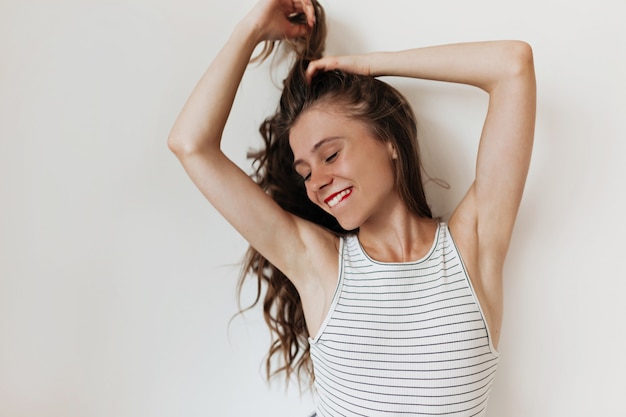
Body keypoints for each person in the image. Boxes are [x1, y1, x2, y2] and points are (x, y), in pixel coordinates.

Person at [168, 0, 536, 415]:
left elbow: (512, 66)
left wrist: (369, 65)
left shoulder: (473, 249)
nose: (318, 182)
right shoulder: (318, 264)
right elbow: (190, 145)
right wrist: (253, 27)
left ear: (389, 142)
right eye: (305, 172)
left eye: (330, 156)